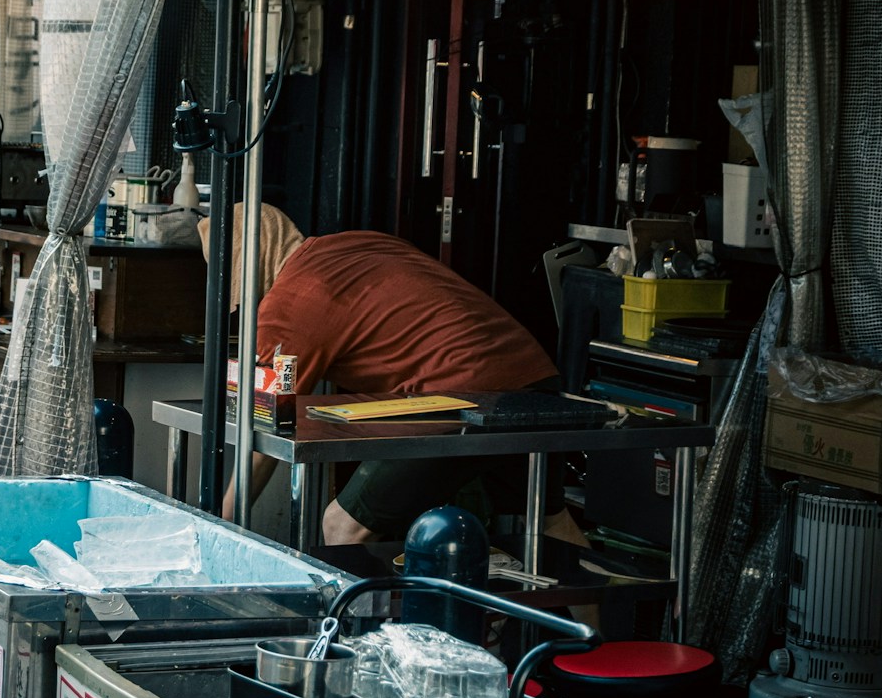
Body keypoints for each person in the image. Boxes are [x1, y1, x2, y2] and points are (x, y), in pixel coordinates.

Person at [198, 203, 590, 549]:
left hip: (460, 396)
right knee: (546, 521)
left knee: (343, 526)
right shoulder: (353, 244)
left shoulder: (291, 303)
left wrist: (223, 522)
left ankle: (361, 632)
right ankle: (599, 631)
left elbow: (266, 423)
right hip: (530, 378)